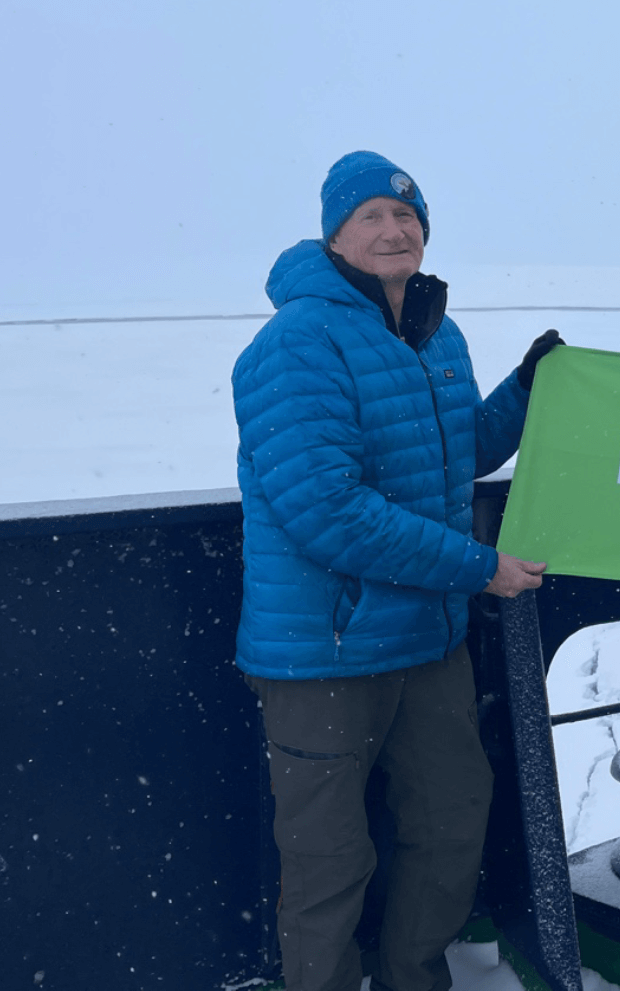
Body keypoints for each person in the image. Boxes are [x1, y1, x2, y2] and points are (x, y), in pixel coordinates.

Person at [232, 151, 564, 991]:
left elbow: (461, 456)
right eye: (372, 216)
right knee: (329, 860)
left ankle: (414, 978)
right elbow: (326, 509)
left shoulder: (432, 331)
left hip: (426, 642)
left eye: (407, 216)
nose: (394, 229)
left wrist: (527, 389)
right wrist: (479, 567)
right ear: (335, 235)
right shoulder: (296, 343)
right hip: (326, 650)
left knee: (452, 821)